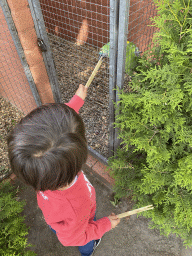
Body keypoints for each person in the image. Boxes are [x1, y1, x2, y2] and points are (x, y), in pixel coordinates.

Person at [7, 84, 120, 256]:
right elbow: (73, 238)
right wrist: (105, 225)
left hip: (56, 216)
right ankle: (88, 251)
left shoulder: (39, 172)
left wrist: (77, 101)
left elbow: (56, 129)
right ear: (80, 153)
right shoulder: (76, 205)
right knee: (86, 238)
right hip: (80, 222)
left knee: (59, 226)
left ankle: (56, 228)